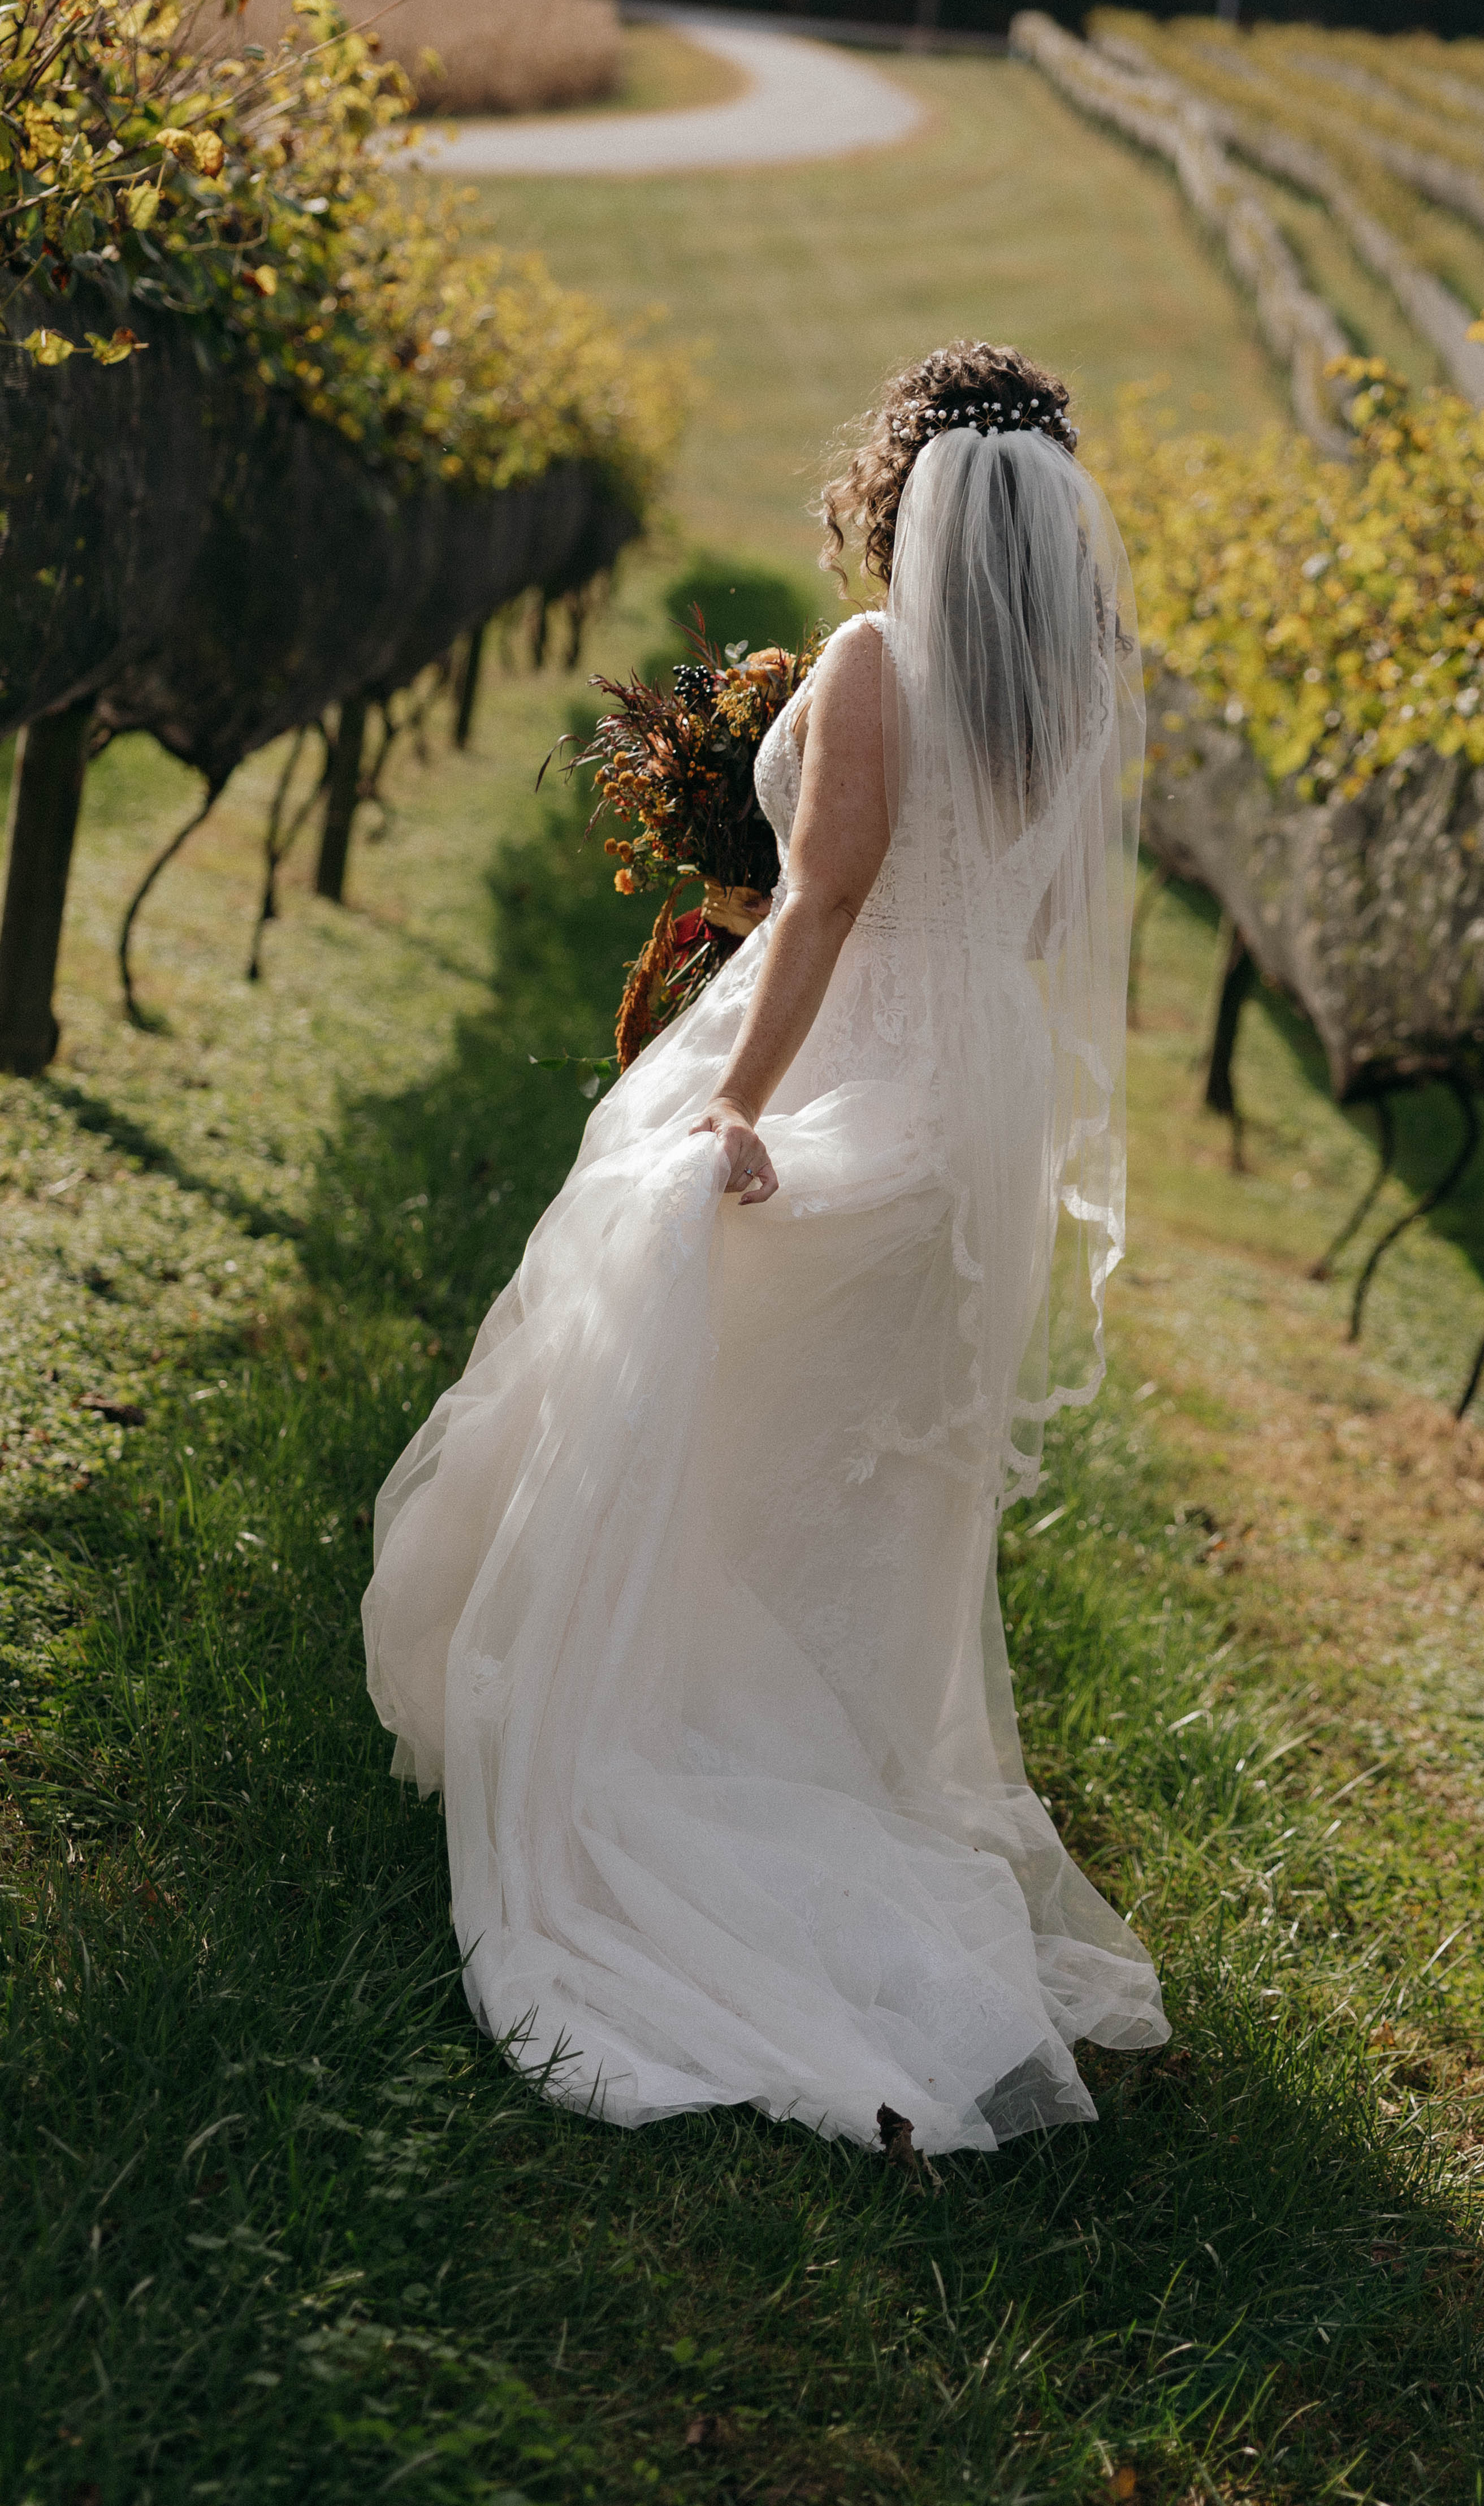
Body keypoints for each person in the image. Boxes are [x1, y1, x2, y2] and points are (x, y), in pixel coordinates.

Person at [361, 341, 1169, 2154]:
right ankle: (837, 1760)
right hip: (981, 1112)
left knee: (697, 1357)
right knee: (870, 1463)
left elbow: (828, 898)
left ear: (901, 495)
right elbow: (1030, 919)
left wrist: (736, 1095)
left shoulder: (879, 656)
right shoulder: (1068, 696)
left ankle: (673, 1748)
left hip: (864, 1068)